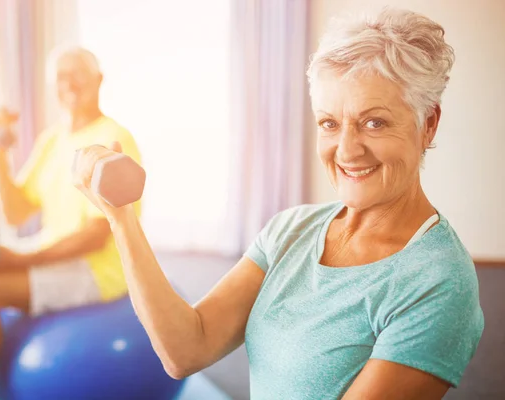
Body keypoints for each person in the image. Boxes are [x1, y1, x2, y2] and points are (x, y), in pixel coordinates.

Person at [74, 7, 484, 399]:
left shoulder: (438, 281)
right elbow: (186, 349)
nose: (347, 150)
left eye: (373, 122)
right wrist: (121, 218)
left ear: (428, 123)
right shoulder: (291, 230)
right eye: (330, 123)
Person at [0, 46, 141, 400]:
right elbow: (16, 212)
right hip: (48, 247)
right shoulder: (52, 139)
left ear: (99, 80)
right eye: (60, 77)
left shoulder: (115, 138)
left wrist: (19, 262)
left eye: (77, 74)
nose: (68, 83)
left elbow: (95, 237)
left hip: (96, 269)